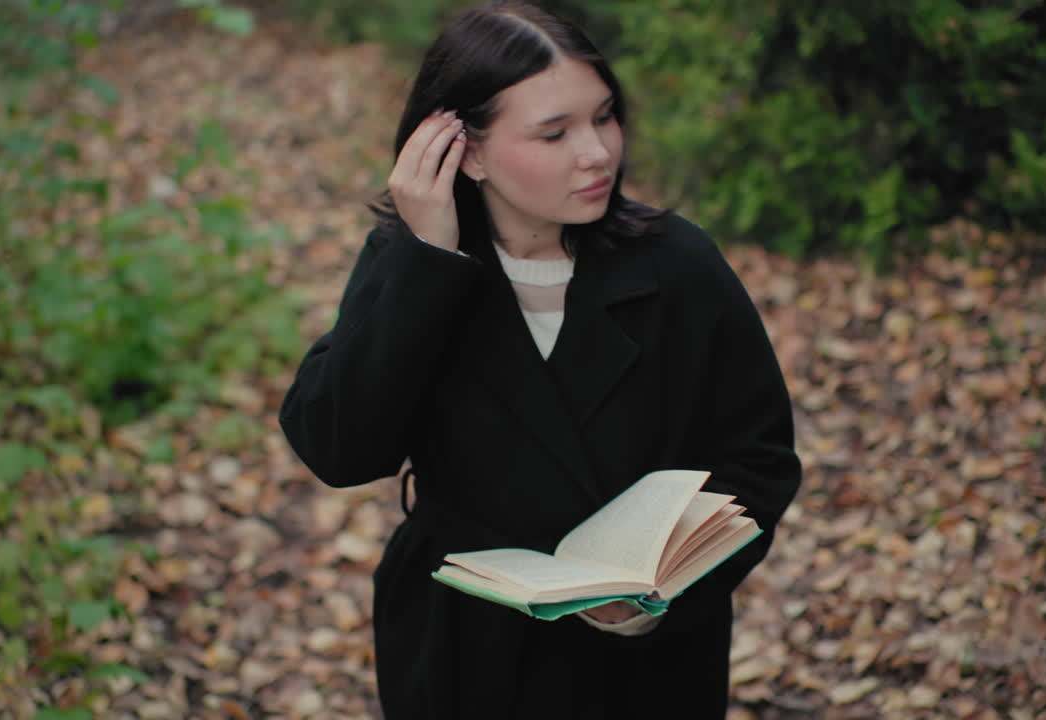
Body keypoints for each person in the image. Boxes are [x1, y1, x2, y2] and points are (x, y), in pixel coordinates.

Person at [278, 2, 801, 717]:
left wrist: (661, 589)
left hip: (649, 661)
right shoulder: (412, 267)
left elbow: (758, 457)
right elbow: (339, 448)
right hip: (467, 651)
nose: (597, 153)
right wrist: (427, 260)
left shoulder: (678, 266)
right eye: (554, 132)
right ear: (468, 150)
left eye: (604, 116)